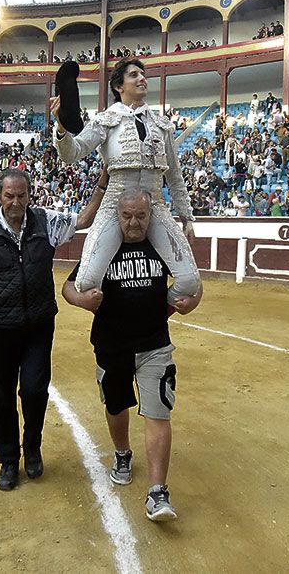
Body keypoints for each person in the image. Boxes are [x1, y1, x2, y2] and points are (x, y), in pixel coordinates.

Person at [62, 189, 201, 522]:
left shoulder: (161, 243)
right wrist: (81, 301)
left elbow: (194, 285)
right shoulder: (103, 247)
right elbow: (68, 287)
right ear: (117, 215)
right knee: (116, 404)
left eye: (141, 215)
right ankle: (122, 453)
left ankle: (158, 492)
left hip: (155, 344)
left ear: (150, 214)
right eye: (127, 216)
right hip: (111, 343)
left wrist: (191, 303)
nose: (134, 222)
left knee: (158, 412)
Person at [0, 168, 102, 491]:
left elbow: (82, 220)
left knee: (35, 390)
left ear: (29, 195)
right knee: (2, 397)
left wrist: (103, 184)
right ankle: (9, 461)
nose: (16, 202)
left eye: (21, 196)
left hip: (38, 323)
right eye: (9, 196)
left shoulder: (45, 221)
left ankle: (32, 447)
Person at [51, 57, 200, 308]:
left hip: (154, 205)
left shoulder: (161, 125)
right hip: (114, 204)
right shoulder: (105, 120)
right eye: (134, 75)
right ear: (119, 87)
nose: (142, 78)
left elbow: (174, 175)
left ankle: (148, 316)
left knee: (189, 283)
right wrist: (62, 128)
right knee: (87, 281)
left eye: (143, 75)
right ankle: (119, 316)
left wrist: (187, 216)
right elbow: (71, 154)